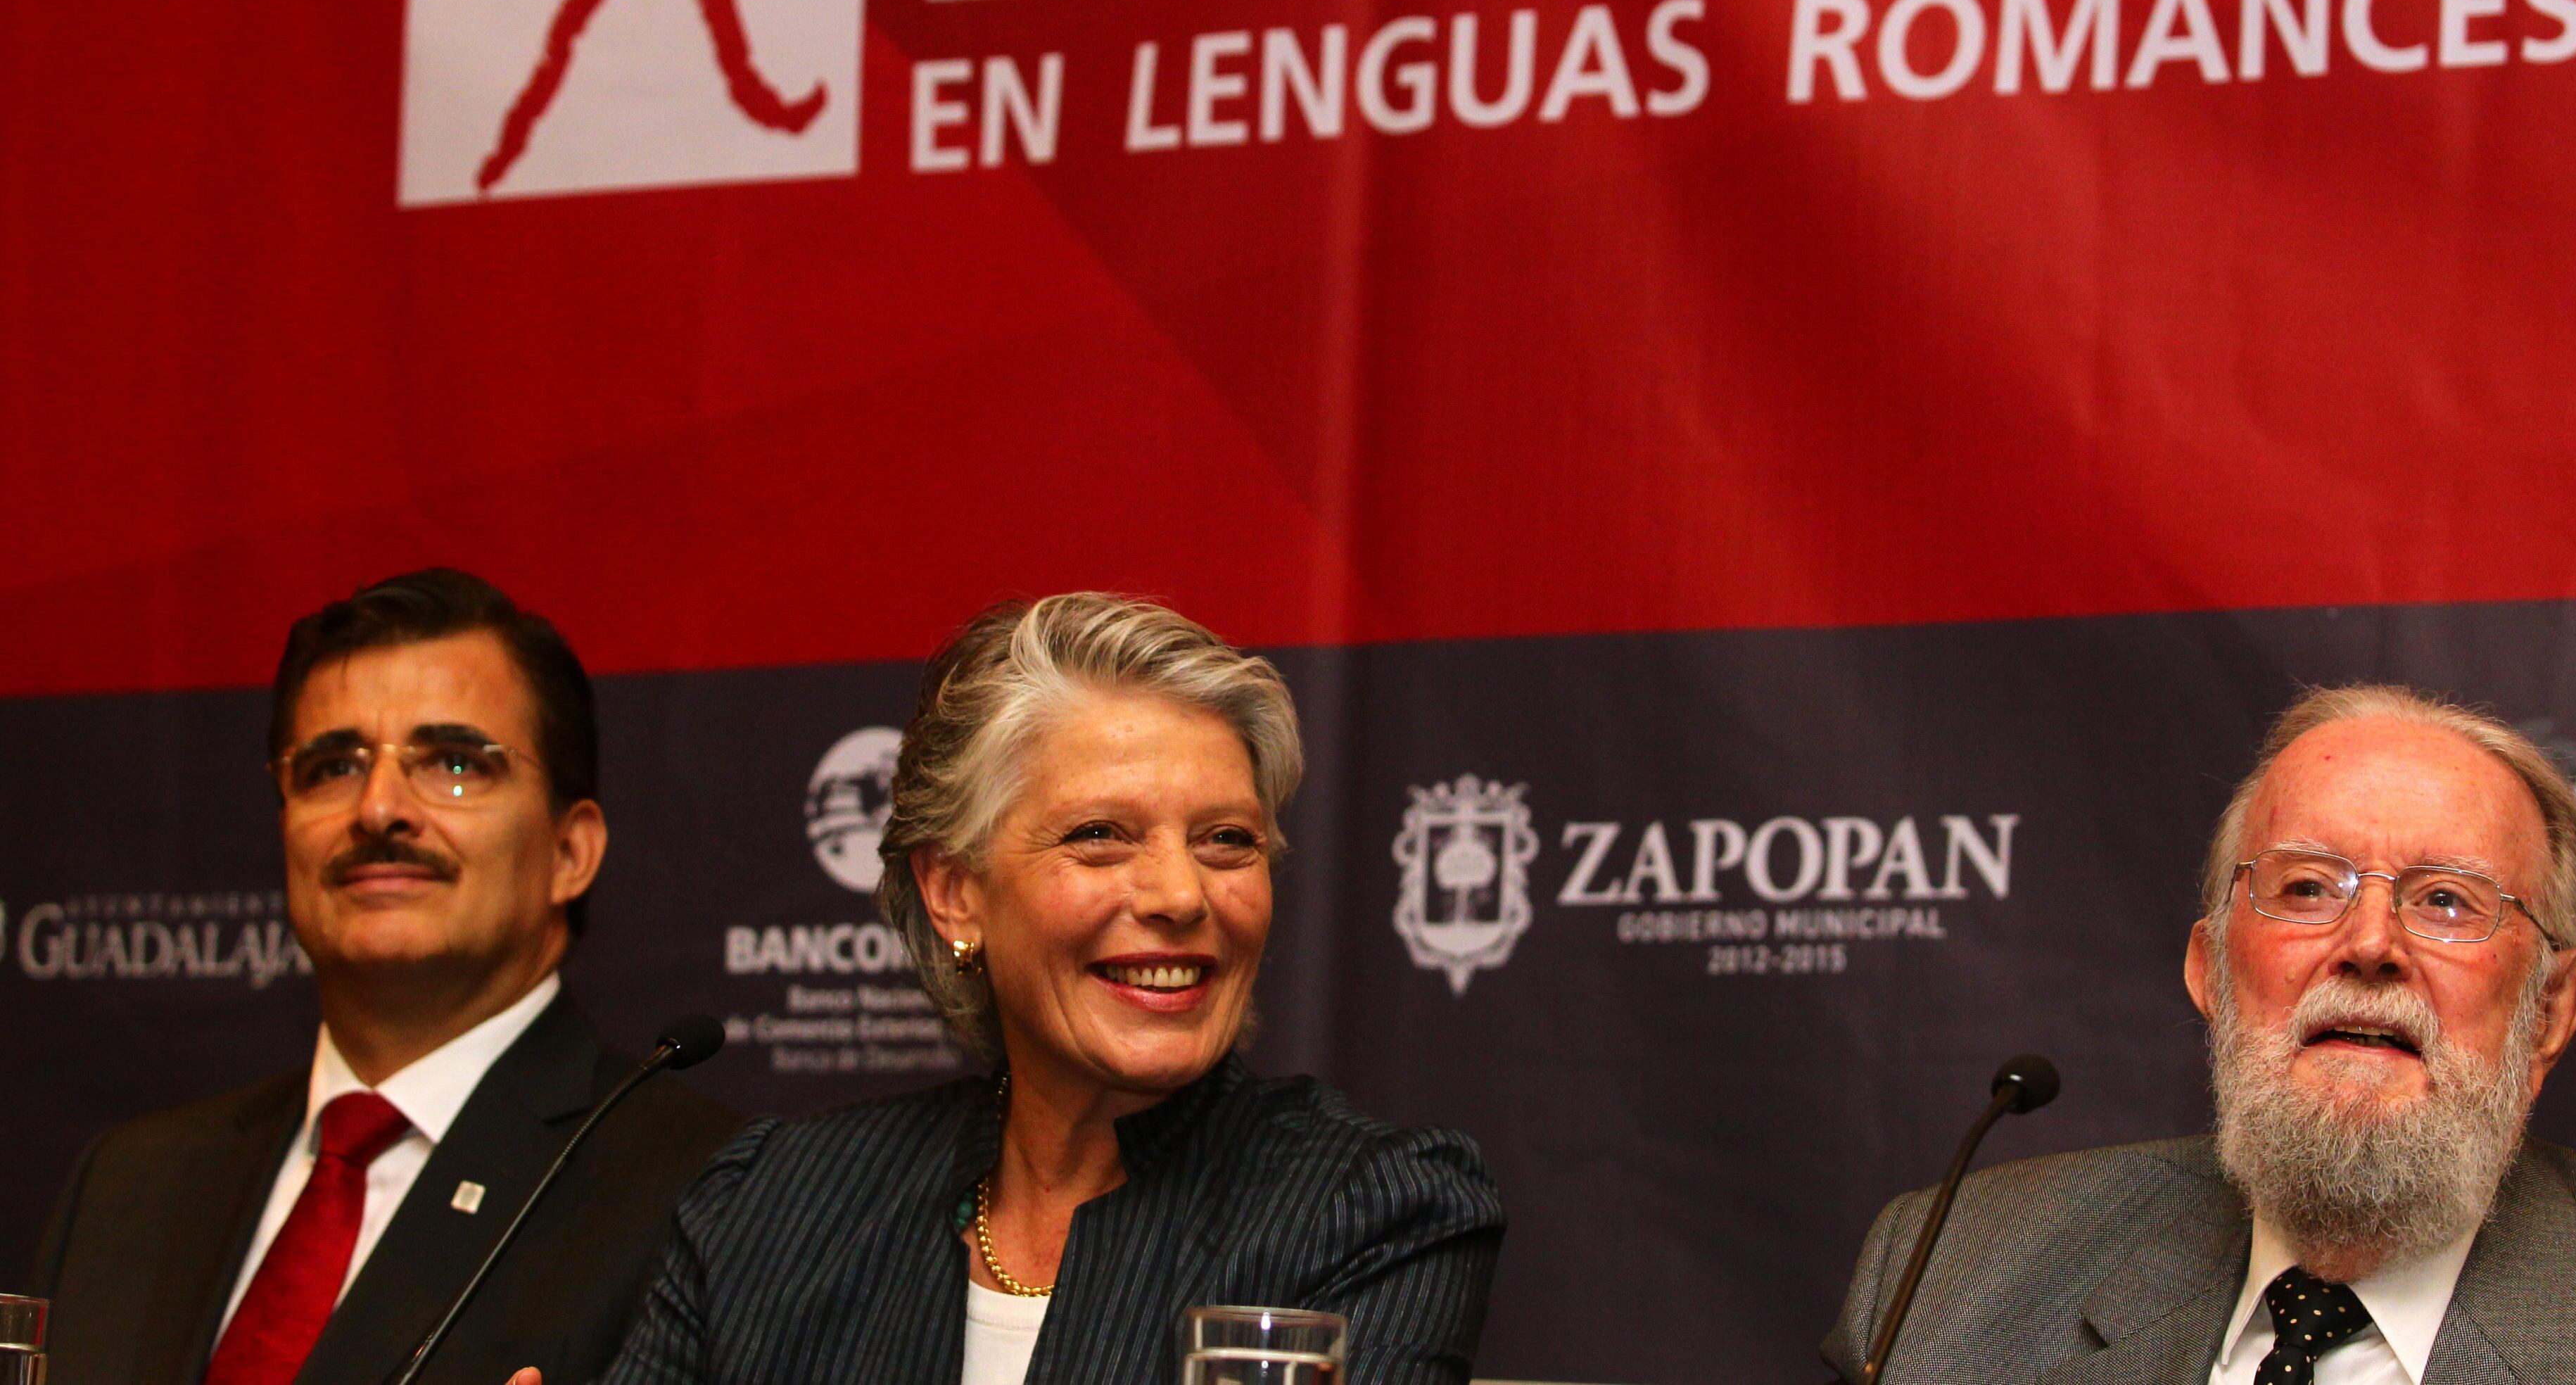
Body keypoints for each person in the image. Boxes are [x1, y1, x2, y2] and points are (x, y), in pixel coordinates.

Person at [1824, 683, 2576, 1385]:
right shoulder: (1948, 1278)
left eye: (2448, 902)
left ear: (2551, 1010)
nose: (2369, 943)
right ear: (2209, 971)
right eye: (2306, 888)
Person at [572, 593, 1503, 1385]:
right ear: (956, 892)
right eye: (1100, 835)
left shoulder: (1373, 1212)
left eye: (1227, 839)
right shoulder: (770, 1202)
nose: (1181, 895)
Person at [32, 568, 740, 1385]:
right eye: (333, 767)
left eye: (455, 763)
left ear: (570, 851)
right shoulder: (130, 1182)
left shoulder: (705, 1188)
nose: (377, 809)